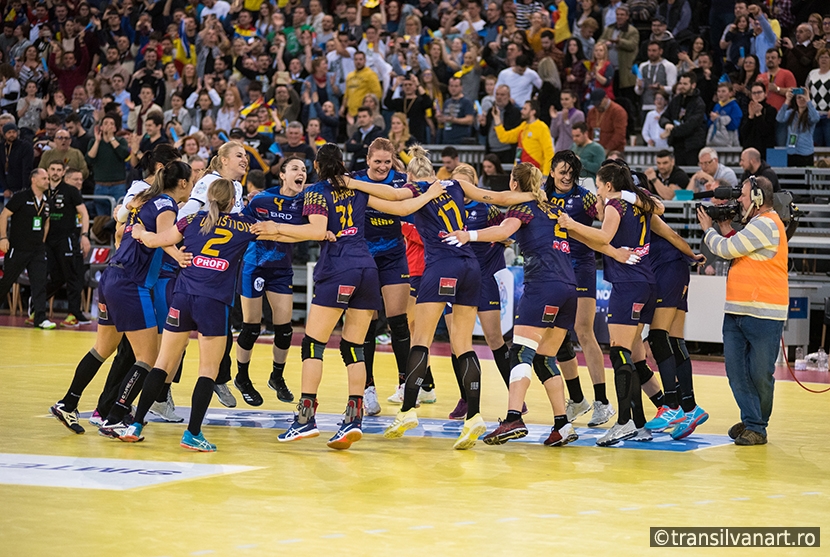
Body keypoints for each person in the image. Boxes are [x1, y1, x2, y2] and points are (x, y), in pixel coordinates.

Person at [253, 144, 445, 450]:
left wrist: (275, 227)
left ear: (317, 165)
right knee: (353, 345)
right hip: (367, 269)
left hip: (338, 268)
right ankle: (354, 417)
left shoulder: (317, 191)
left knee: (313, 343)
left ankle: (305, 418)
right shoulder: (356, 188)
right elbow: (401, 207)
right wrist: (429, 194)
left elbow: (316, 231)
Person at [49, 161, 194, 434]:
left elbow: (121, 229)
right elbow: (164, 239)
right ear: (183, 183)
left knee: (102, 348)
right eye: (193, 179)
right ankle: (116, 416)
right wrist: (181, 257)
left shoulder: (143, 201)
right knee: (148, 357)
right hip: (131, 283)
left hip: (112, 276)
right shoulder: (166, 205)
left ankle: (68, 403)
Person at [119, 177, 257, 451]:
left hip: (182, 297)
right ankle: (193, 433)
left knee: (162, 363)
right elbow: (281, 233)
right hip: (214, 302)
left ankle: (135, 424)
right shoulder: (244, 225)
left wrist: (138, 233)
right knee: (208, 369)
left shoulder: (191, 220)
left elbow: (158, 240)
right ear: (232, 202)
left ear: (208, 199)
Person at [446, 162, 579, 447]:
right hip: (569, 288)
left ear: (515, 184)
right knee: (545, 359)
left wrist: (469, 235)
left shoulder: (524, 208)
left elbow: (502, 229)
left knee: (520, 353)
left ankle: (513, 417)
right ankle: (562, 425)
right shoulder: (552, 208)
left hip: (543, 285)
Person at [558, 162, 666, 446]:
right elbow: (605, 243)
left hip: (628, 284)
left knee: (619, 353)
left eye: (598, 185)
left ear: (607, 185)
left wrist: (571, 224)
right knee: (631, 353)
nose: (596, 191)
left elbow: (604, 237)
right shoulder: (639, 200)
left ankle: (624, 422)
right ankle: (641, 424)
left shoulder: (616, 207)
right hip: (644, 281)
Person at [697, 176, 788, 446]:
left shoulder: (768, 224)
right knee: (737, 372)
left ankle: (756, 425)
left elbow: (727, 250)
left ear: (759, 198)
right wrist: (725, 226)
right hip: (738, 309)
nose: (739, 201)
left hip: (764, 312)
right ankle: (752, 420)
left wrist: (708, 229)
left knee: (760, 374)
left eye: (744, 196)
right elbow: (742, 249)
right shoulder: (756, 226)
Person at [543, 151, 615, 428]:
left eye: (571, 172)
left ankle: (602, 402)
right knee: (557, 334)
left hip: (581, 266)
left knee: (584, 331)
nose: (566, 176)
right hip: (553, 269)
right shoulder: (541, 195)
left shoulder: (584, 196)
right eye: (562, 171)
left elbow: (605, 213)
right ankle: (577, 399)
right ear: (551, 171)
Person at [233, 157, 307, 407]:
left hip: (281, 270)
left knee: (285, 329)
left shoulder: (304, 203)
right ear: (282, 175)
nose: (302, 173)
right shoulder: (261, 199)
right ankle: (242, 377)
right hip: (255, 267)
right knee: (251, 327)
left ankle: (277, 376)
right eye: (296, 168)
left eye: (305, 170)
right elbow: (242, 224)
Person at [351, 139, 417, 413]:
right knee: (367, 324)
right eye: (377, 161)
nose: (381, 167)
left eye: (386, 162)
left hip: (393, 255)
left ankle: (405, 384)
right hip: (364, 256)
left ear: (393, 162)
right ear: (368, 160)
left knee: (398, 322)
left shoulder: (402, 181)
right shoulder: (353, 180)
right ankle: (367, 389)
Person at [0, 168, 54, 329]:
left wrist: (41, 242)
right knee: (6, 282)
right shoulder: (21, 197)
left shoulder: (47, 201)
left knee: (40, 283)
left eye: (48, 178)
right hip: (18, 247)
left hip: (37, 250)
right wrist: (3, 237)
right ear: (34, 179)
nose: (47, 181)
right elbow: (4, 215)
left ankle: (40, 318)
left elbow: (46, 222)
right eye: (44, 178)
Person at [43, 161, 91, 327]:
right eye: (53, 169)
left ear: (63, 172)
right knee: (54, 276)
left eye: (58, 169)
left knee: (72, 275)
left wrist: (84, 235)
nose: (55, 172)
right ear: (48, 171)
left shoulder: (71, 191)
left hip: (67, 239)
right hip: (47, 240)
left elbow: (84, 213)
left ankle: (74, 313)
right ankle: (36, 307)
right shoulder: (43, 189)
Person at [492, 99, 554, 174]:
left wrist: (546, 174)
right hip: (521, 172)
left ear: (533, 112)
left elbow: (549, 153)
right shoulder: (523, 126)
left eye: (525, 109)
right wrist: (497, 118)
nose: (521, 111)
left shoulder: (542, 127)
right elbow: (504, 137)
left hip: (534, 173)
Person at [87, 115, 131, 218]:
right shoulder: (94, 142)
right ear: (101, 127)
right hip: (100, 186)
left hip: (118, 185)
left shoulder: (121, 141)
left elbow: (124, 154)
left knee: (119, 217)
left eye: (112, 124)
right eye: (106, 123)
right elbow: (89, 159)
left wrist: (111, 138)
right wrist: (98, 141)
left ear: (115, 128)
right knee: (101, 219)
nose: (109, 126)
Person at [660, 72, 706, 167]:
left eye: (685, 84)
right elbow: (664, 116)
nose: (681, 86)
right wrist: (667, 124)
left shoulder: (699, 104)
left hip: (692, 146)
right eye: (680, 83)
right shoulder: (676, 100)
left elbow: (690, 125)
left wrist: (672, 131)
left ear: (693, 85)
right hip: (677, 145)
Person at [776, 89, 819, 167]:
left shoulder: (811, 113)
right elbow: (779, 118)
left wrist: (808, 100)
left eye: (803, 98)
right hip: (791, 151)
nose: (801, 100)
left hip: (805, 152)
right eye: (799, 98)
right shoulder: (791, 113)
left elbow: (815, 118)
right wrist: (787, 100)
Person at [481, 84, 522, 164]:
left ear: (509, 96)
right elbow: (484, 133)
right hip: (491, 151)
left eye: (502, 95)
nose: (499, 97)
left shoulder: (515, 112)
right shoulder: (491, 111)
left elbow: (515, 133)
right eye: (497, 94)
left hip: (507, 151)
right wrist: (482, 125)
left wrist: (500, 126)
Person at [739, 81, 778, 154]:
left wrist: (758, 114)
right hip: (749, 148)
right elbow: (743, 132)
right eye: (754, 93)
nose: (757, 95)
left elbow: (767, 131)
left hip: (765, 150)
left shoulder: (771, 110)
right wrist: (750, 117)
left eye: (759, 92)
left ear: (765, 94)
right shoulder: (748, 108)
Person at [585, 89, 628, 154]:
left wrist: (607, 149)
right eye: (595, 104)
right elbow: (588, 130)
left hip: (613, 151)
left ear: (606, 97)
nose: (597, 106)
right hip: (595, 150)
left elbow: (620, 134)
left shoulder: (618, 111)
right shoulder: (592, 112)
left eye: (599, 103)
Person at [0, 122, 34, 202]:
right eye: (9, 132)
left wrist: (25, 188)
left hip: (22, 186)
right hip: (8, 187)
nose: (12, 134)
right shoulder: (1, 148)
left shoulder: (25, 146)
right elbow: (0, 170)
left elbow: (27, 168)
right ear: (4, 134)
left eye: (14, 132)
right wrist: (5, 188)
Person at [438, 76, 476, 144]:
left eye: (456, 86)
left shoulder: (466, 102)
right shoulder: (447, 102)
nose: (453, 88)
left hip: (460, 139)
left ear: (461, 87)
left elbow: (470, 120)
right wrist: (440, 118)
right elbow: (444, 119)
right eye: (451, 86)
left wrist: (454, 120)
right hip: (447, 138)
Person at [345, 107, 385, 172]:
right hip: (355, 167)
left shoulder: (378, 134)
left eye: (364, 116)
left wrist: (356, 147)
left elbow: (371, 151)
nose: (361, 119)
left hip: (370, 168)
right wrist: (362, 146)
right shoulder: (357, 133)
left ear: (371, 118)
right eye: (359, 117)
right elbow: (348, 146)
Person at [806, 48, 830, 147]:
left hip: (828, 116)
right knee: (815, 145)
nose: (823, 59)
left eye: (827, 57)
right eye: (821, 57)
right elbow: (807, 92)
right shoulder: (812, 73)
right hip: (814, 116)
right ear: (817, 59)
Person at [707, 82, 743, 147]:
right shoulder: (717, 106)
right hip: (715, 141)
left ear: (731, 93)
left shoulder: (734, 107)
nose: (720, 94)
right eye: (719, 91)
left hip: (729, 142)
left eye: (723, 91)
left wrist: (719, 119)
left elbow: (734, 125)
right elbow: (709, 124)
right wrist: (712, 120)